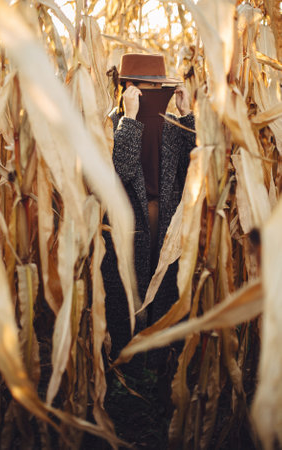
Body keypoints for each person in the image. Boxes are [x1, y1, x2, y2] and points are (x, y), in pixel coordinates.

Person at [102, 53, 196, 375]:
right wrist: (129, 119)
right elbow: (120, 172)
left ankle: (158, 364)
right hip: (128, 223)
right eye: (149, 87)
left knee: (161, 289)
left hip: (167, 220)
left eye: (160, 86)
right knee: (126, 294)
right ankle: (122, 368)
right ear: (129, 88)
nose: (156, 93)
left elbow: (194, 167)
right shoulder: (111, 125)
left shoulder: (171, 127)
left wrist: (187, 115)